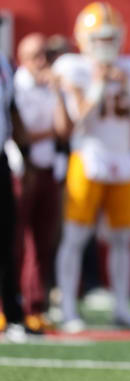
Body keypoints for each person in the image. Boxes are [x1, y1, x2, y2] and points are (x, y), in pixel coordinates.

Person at [53, 2, 130, 332]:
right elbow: (77, 121)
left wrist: (128, 90)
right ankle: (67, 308)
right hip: (88, 157)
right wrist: (97, 85)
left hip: (122, 159)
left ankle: (121, 306)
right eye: (98, 39)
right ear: (82, 39)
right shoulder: (73, 66)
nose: (105, 46)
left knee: (122, 239)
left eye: (110, 39)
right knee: (76, 236)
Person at [13, 33, 72, 331]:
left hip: (48, 168)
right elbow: (18, 132)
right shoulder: (16, 85)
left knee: (41, 241)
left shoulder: (50, 86)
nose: (43, 62)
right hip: (22, 169)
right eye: (37, 55)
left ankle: (33, 305)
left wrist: (59, 93)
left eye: (45, 56)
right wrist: (45, 134)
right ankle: (9, 305)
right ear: (22, 57)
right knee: (14, 240)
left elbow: (64, 129)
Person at [0, 50, 28, 342]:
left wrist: (26, 152)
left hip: (0, 158)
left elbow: (12, 110)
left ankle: (13, 314)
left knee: (6, 239)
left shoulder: (4, 62)